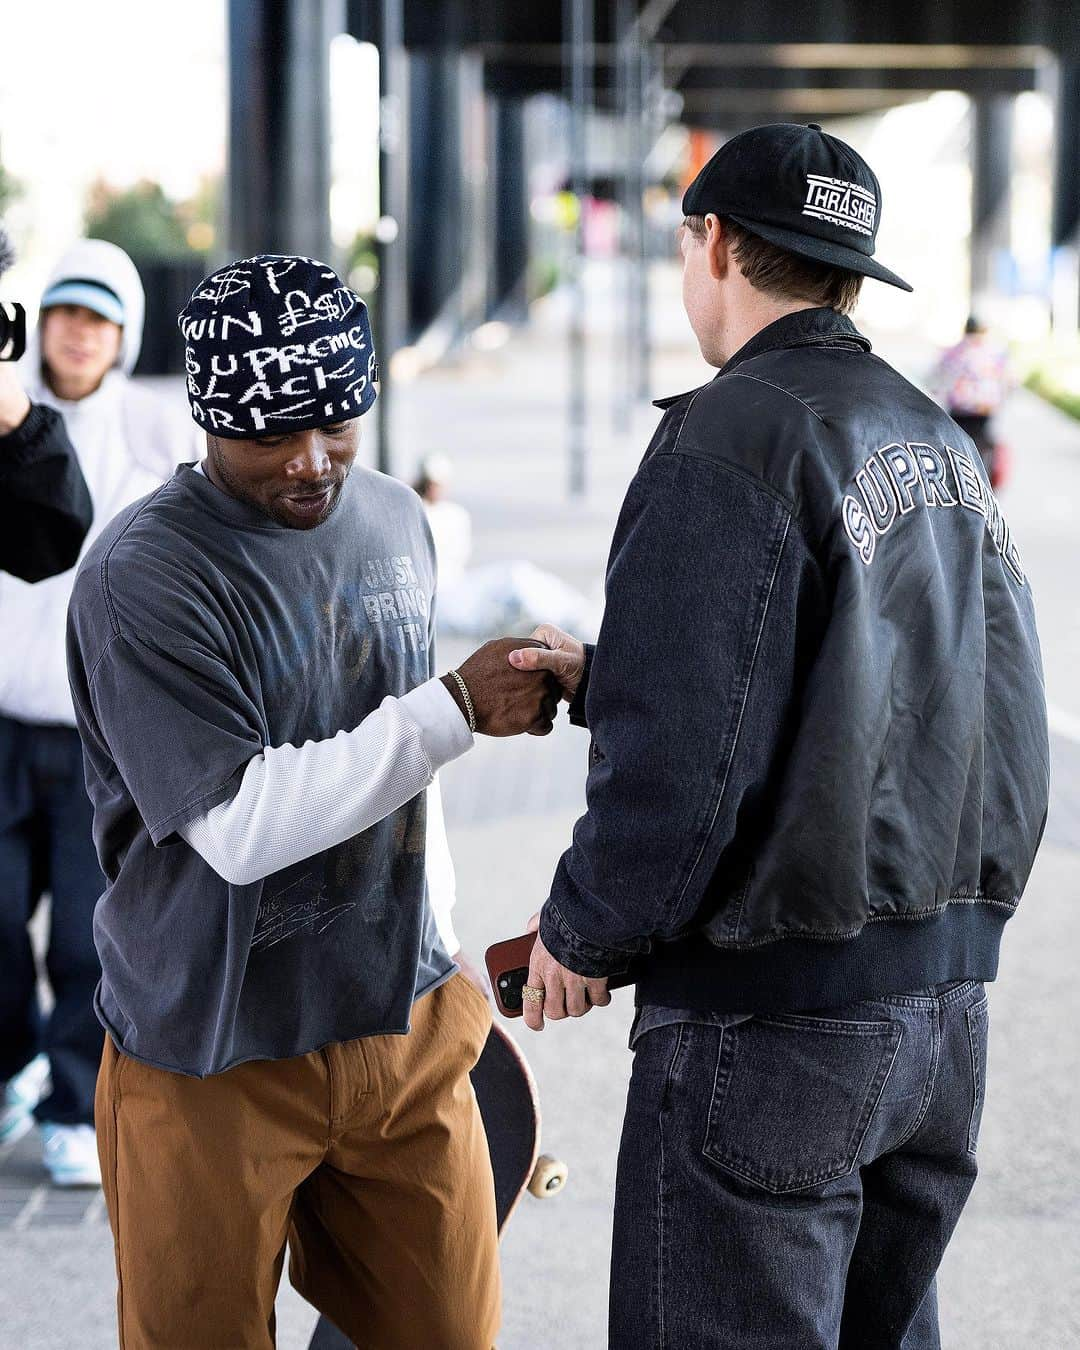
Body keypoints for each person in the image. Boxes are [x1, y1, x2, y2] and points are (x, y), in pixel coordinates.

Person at [510, 123, 1049, 1348]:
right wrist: (615, 676)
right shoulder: (938, 439)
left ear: (715, 242)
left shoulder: (729, 435)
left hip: (775, 1027)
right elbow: (944, 700)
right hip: (941, 1017)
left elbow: (683, 773)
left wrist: (582, 929)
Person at [67, 254, 556, 1348]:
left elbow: (402, 770)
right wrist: (455, 710)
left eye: (336, 422)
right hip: (209, 1047)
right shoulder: (144, 577)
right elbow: (240, 827)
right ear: (205, 418)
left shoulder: (393, 518)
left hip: (405, 1025)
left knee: (450, 1334)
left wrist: (449, 957)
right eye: (270, 433)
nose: (308, 460)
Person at [0, 239, 193, 1186]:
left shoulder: (159, 432)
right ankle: (9, 1067)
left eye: (98, 318)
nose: (77, 334)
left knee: (88, 927)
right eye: (64, 314)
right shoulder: (7, 408)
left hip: (97, 728)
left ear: (124, 333)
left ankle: (75, 1098)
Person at [413, 453, 601, 640]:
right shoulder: (416, 511)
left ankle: (575, 611)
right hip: (443, 596)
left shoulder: (453, 514)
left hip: (457, 586)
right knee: (513, 580)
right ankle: (575, 617)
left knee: (519, 574)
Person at [931, 315, 1013, 485]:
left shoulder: (952, 351)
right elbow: (1009, 381)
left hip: (958, 409)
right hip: (984, 409)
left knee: (958, 447)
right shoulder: (996, 353)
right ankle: (981, 482)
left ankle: (960, 482)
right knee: (982, 446)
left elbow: (937, 378)